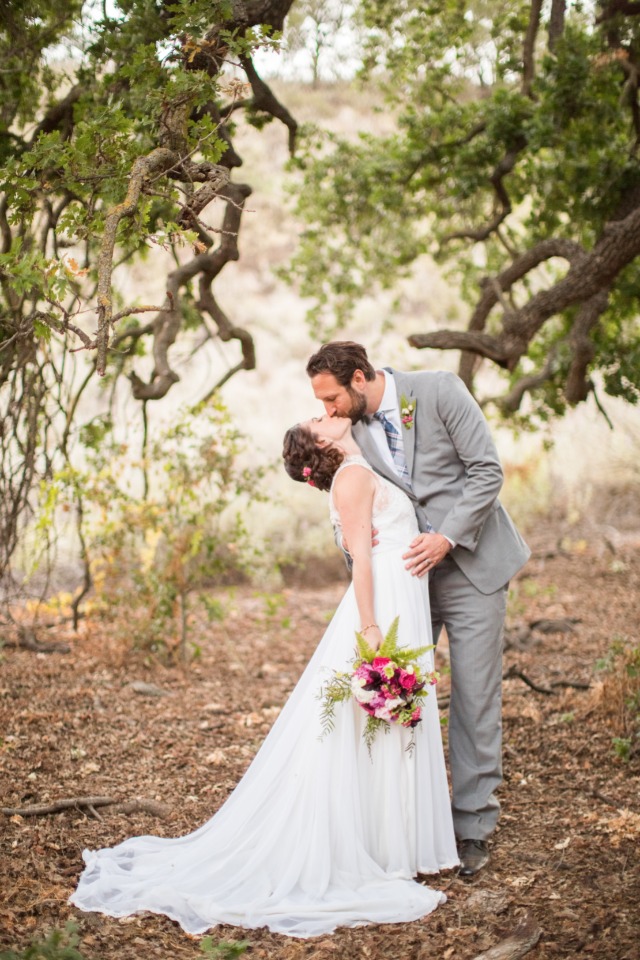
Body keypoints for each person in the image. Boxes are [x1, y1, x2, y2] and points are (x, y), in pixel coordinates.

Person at [69, 414, 458, 939]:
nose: (328, 414)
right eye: (318, 417)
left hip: (398, 593)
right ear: (321, 442)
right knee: (370, 721)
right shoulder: (354, 478)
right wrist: (369, 627)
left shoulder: (361, 466)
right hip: (381, 600)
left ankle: (393, 844)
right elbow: (360, 559)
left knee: (386, 721)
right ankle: (379, 848)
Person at [306, 341, 531, 877]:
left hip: (473, 566)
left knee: (474, 699)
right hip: (407, 582)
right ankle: (398, 824)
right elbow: (354, 516)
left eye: (333, 398)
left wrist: (448, 538)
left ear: (360, 378)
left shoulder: (439, 390)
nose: (329, 410)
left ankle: (473, 828)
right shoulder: (349, 431)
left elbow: (486, 472)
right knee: (394, 690)